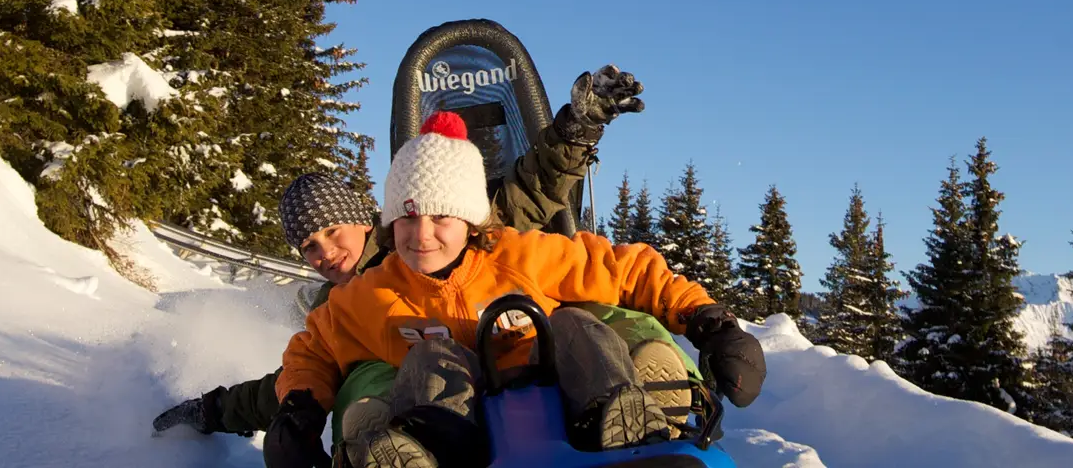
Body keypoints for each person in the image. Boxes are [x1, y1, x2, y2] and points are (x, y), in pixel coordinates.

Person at [154, 66, 680, 439]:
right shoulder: (338, 308)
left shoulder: (443, 230)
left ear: (367, 218)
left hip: (530, 388)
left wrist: (578, 128)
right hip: (439, 413)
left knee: (585, 320)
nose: (323, 254)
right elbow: (295, 381)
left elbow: (531, 190)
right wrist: (217, 409)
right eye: (308, 247)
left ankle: (647, 397)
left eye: (332, 232)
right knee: (366, 386)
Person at [264, 110, 766, 468]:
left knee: (573, 322)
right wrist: (299, 409)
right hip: (463, 428)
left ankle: (630, 416)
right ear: (389, 222)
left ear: (470, 217)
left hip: (568, 402)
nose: (422, 235)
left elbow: (625, 269)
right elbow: (314, 347)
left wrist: (709, 322)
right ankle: (415, 456)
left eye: (442, 216)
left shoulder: (519, 254)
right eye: (408, 218)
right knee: (430, 357)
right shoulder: (373, 292)